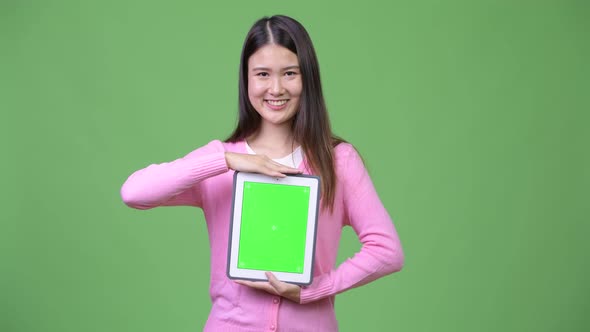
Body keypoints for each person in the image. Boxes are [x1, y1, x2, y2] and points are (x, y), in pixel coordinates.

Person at [120, 15, 404, 332]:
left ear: (307, 78)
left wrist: (313, 289)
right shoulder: (220, 162)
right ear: (247, 80)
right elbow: (134, 193)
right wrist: (228, 160)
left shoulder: (337, 160)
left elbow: (387, 251)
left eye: (290, 73)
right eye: (263, 74)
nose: (276, 88)